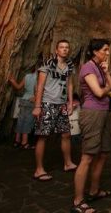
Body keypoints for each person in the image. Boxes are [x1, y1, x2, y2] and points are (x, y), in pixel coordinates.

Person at [72, 39, 111, 213]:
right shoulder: (87, 68)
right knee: (88, 157)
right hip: (92, 114)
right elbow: (98, 92)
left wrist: (106, 75)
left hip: (104, 113)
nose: (107, 53)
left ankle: (94, 191)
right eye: (105, 50)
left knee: (103, 153)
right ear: (95, 52)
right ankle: (78, 201)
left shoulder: (99, 68)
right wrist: (106, 86)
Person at [32, 40, 77, 181]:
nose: (64, 49)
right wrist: (38, 106)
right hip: (47, 103)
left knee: (66, 134)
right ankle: (39, 170)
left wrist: (70, 102)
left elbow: (70, 85)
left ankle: (68, 163)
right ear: (56, 50)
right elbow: (40, 86)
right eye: (62, 47)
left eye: (67, 47)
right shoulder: (47, 64)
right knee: (43, 136)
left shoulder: (69, 66)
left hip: (61, 105)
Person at [7, 65, 38, 149]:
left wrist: (12, 80)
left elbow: (18, 87)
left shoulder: (27, 76)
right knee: (28, 121)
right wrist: (36, 97)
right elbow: (37, 90)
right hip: (32, 102)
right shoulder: (39, 78)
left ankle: (17, 141)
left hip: (23, 100)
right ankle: (24, 143)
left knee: (20, 120)